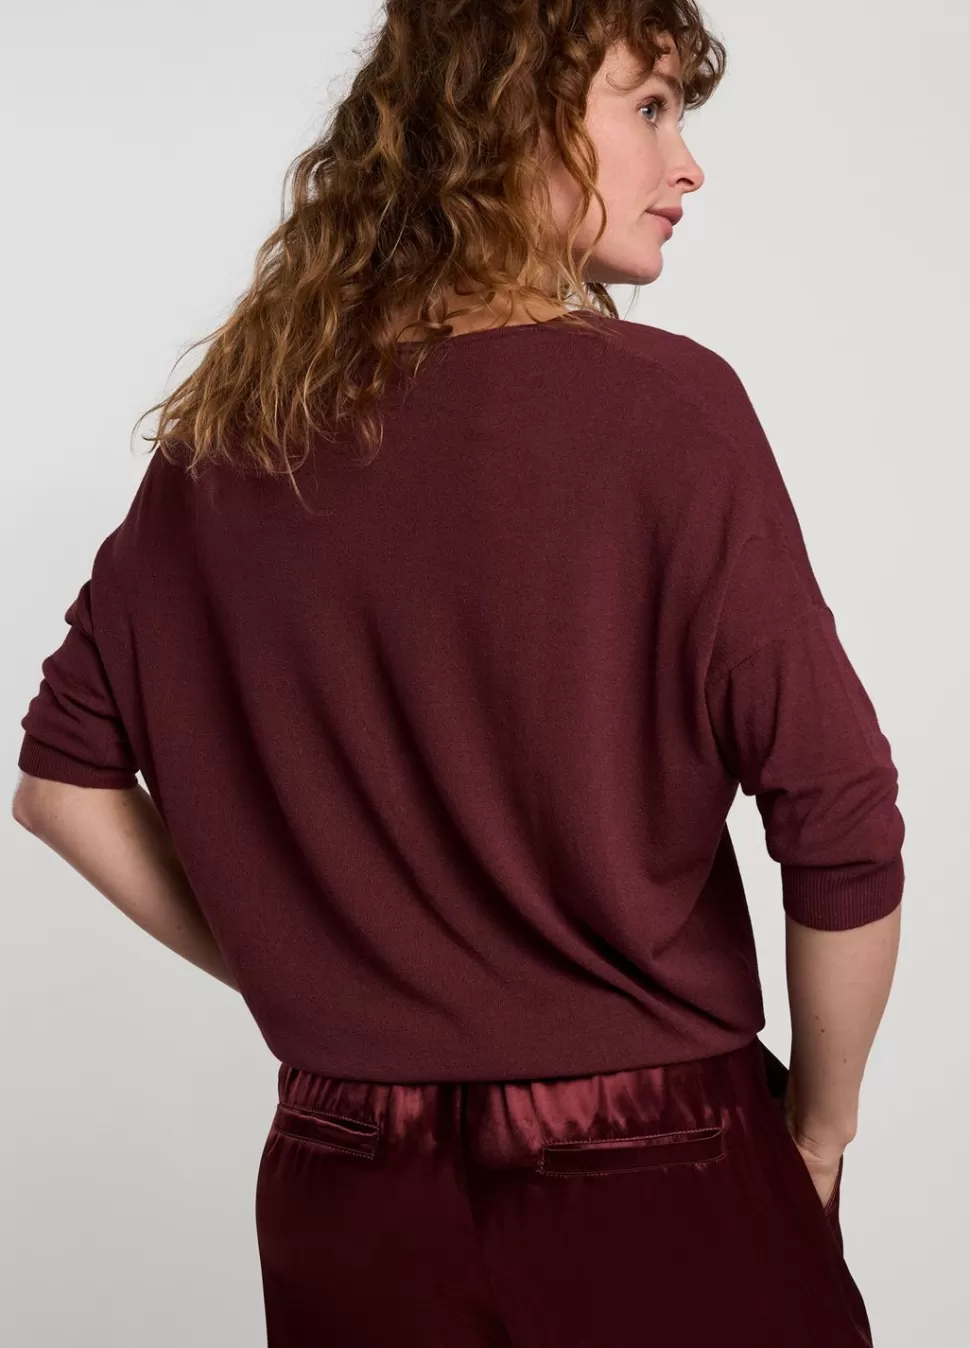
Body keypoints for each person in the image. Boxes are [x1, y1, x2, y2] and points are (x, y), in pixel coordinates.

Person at [12, 2, 903, 1345]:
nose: (686, 164)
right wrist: (820, 1137)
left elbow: (58, 785)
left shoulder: (234, 440)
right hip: (649, 1156)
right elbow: (839, 821)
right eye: (648, 107)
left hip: (343, 1180)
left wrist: (326, 980)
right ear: (509, 116)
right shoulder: (668, 412)